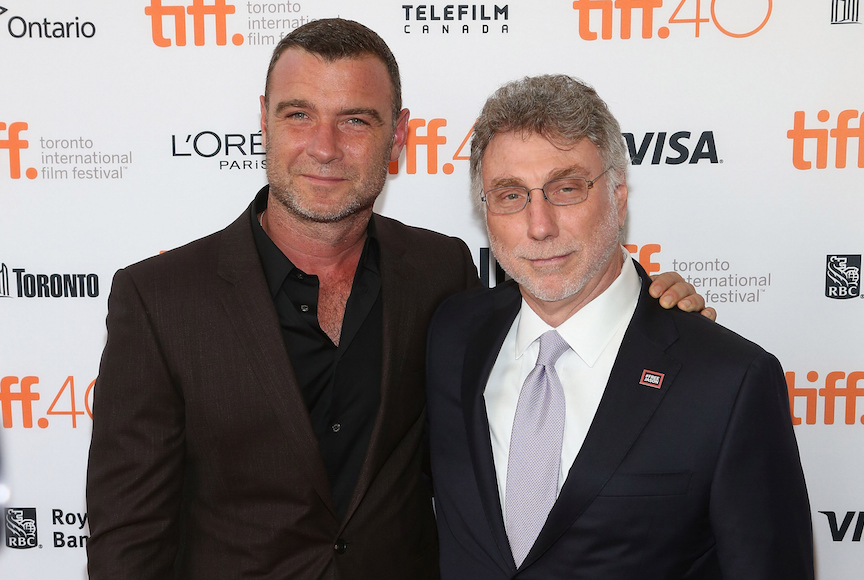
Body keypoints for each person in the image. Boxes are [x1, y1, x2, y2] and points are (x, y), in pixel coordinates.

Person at [85, 20, 711, 580]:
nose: (325, 146)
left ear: (399, 136)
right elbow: (129, 539)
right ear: (264, 120)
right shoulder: (159, 299)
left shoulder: (442, 270)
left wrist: (652, 310)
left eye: (356, 120)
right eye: (298, 115)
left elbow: (551, 327)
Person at [426, 75, 813, 579]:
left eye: (566, 189)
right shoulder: (453, 334)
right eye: (510, 195)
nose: (539, 225)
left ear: (619, 197)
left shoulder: (727, 381)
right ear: (486, 211)